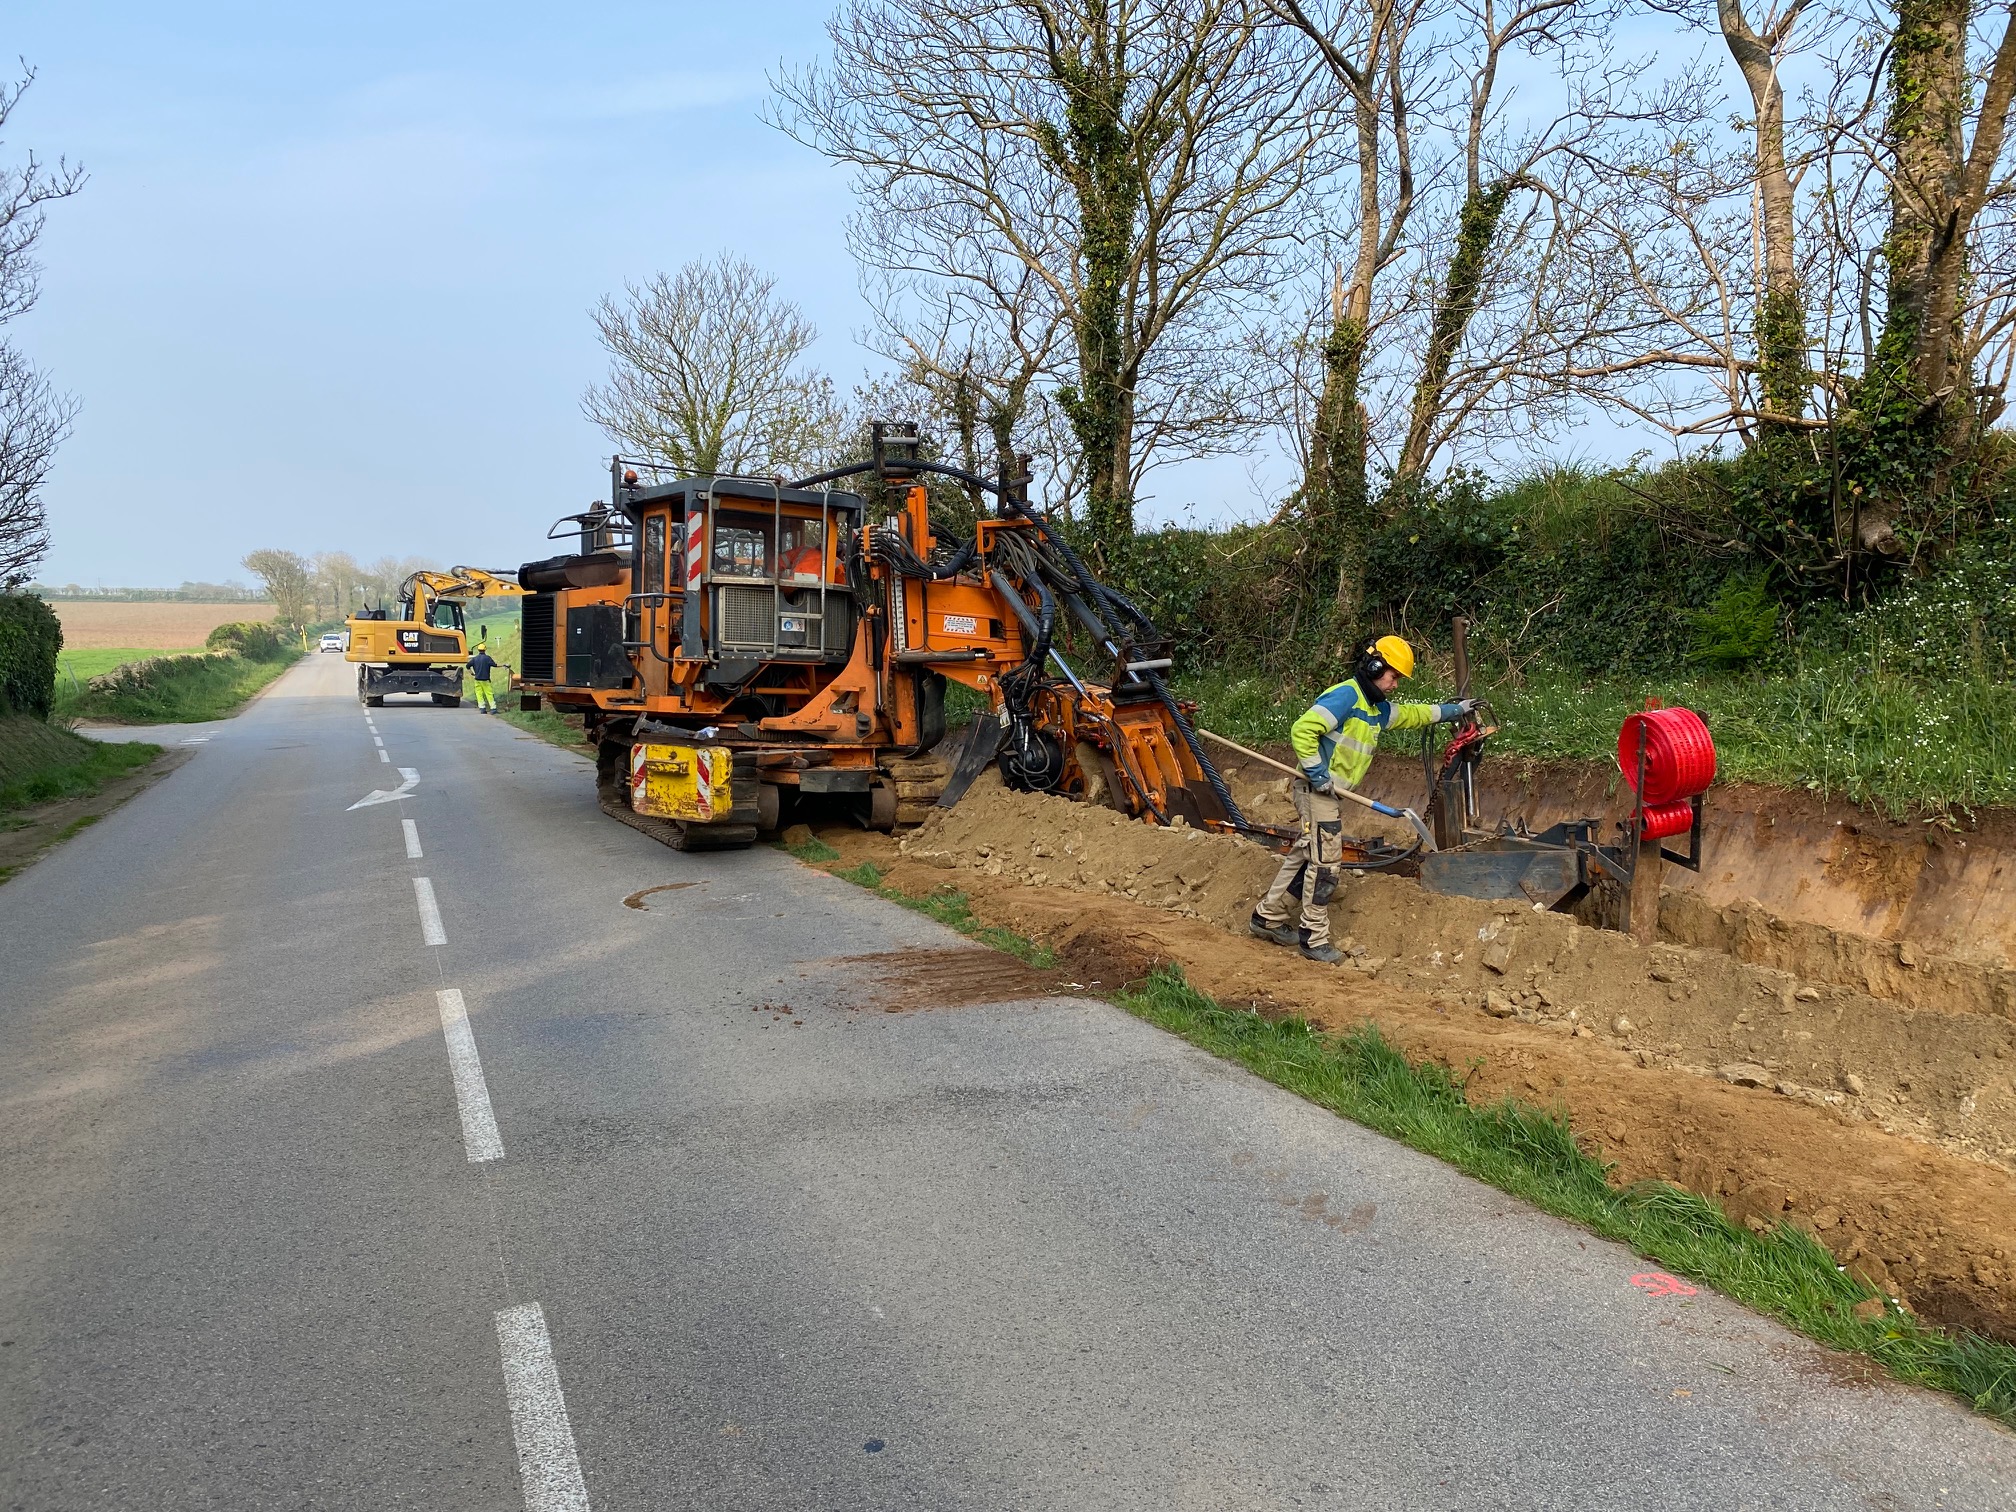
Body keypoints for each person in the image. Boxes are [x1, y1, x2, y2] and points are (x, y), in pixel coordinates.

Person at [1249, 635, 1476, 963]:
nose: (1395, 684)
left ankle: (1267, 916)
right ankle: (1313, 937)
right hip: (1316, 791)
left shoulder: (1375, 708)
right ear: (1374, 666)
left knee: (1306, 853)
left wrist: (1454, 710)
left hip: (1328, 794)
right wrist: (1317, 774)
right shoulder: (1346, 697)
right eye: (1393, 676)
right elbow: (1302, 730)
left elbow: (1412, 714)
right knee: (1326, 865)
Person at [467, 642, 499, 714]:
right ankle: (493, 709)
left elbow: (467, 666)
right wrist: (502, 665)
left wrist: (472, 673)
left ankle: (482, 708)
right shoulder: (487, 658)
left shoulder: (475, 659)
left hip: (477, 679)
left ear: (478, 650)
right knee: (489, 693)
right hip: (486, 680)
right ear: (485, 650)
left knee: (479, 694)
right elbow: (494, 665)